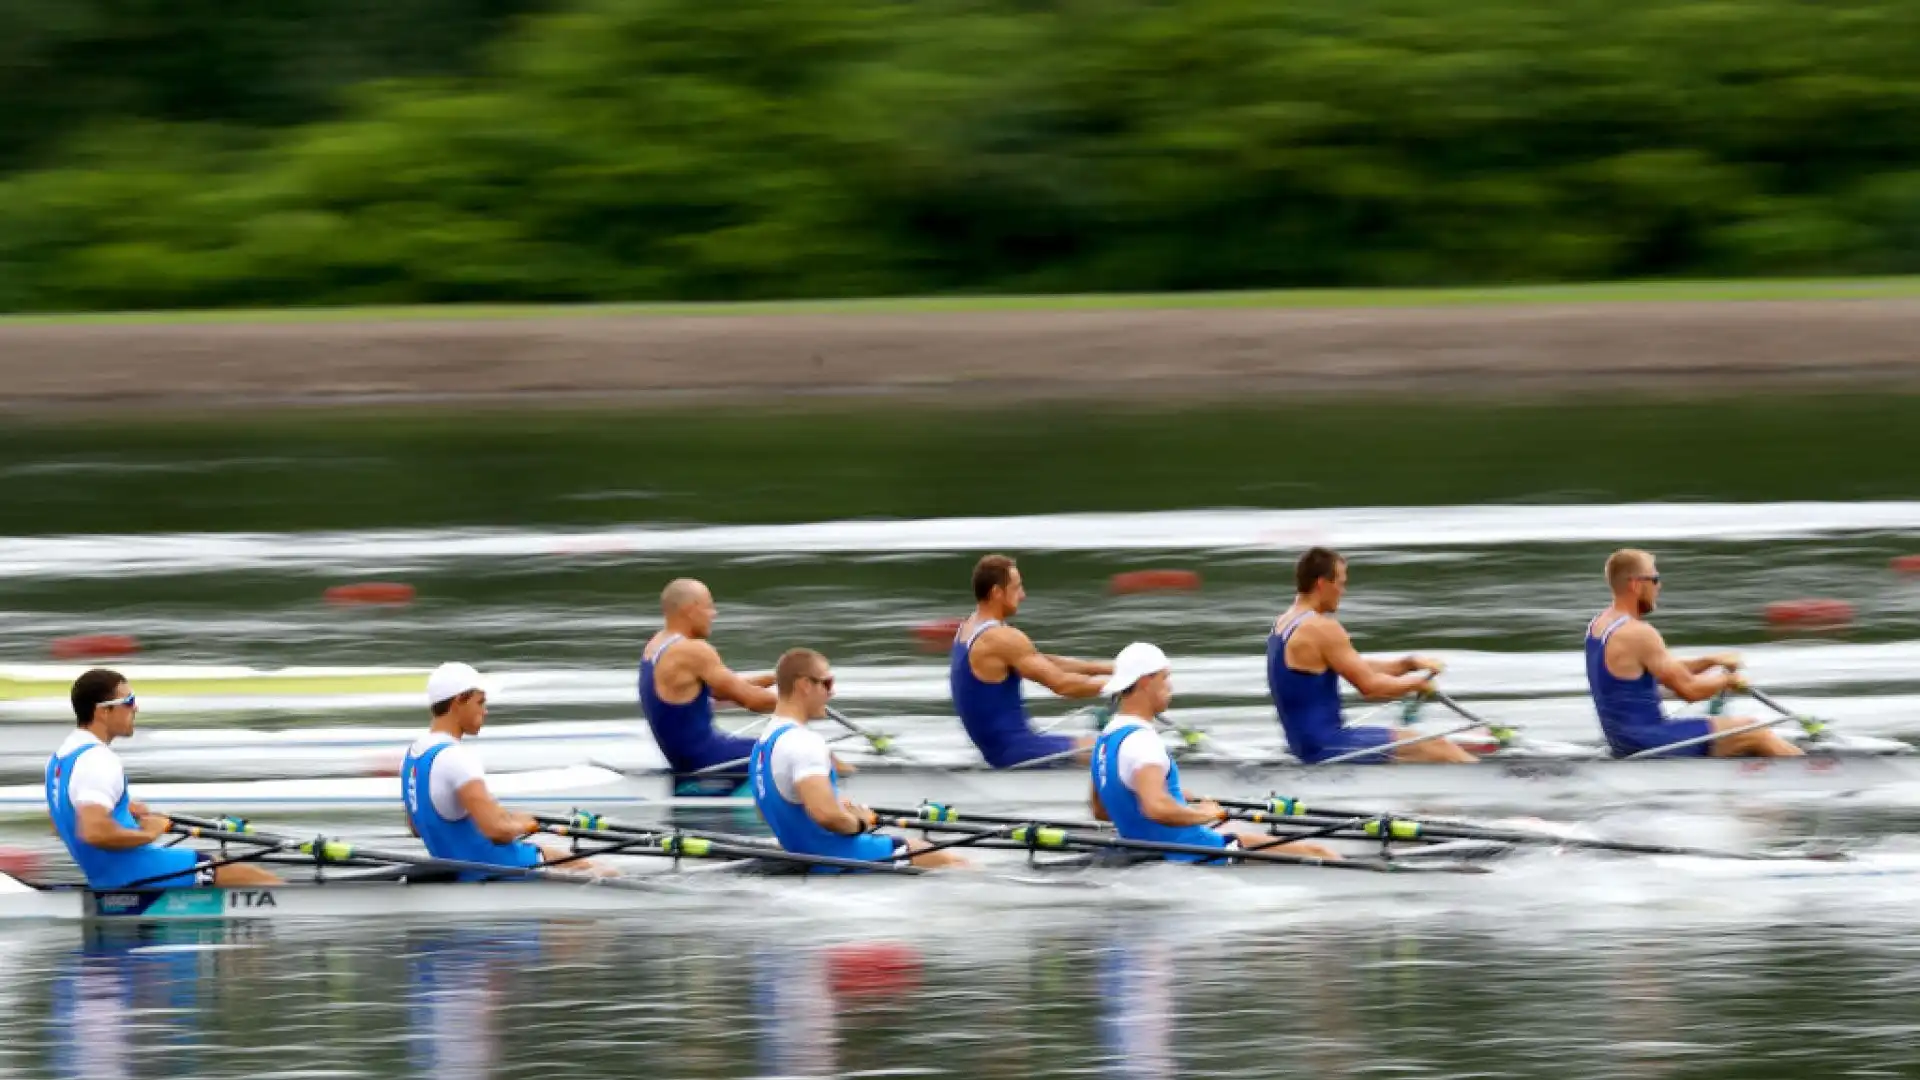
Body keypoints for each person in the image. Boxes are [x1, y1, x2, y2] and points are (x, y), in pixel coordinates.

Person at [1092, 643, 1341, 862]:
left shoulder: (1106, 739)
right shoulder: (1143, 742)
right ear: (1146, 680)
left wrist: (1177, 796)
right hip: (1197, 851)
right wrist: (1201, 814)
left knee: (1236, 825)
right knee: (1319, 852)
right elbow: (1156, 808)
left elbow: (1102, 810)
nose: (1170, 686)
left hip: (1155, 848)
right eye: (1165, 678)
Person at [46, 669, 281, 889]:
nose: (135, 708)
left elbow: (60, 823)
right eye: (128, 702)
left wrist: (122, 810)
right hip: (135, 872)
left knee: (220, 865)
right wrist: (149, 832)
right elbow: (94, 833)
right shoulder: (98, 760)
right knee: (260, 879)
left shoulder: (60, 758)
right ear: (103, 711)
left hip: (107, 873)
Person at [751, 648, 970, 871]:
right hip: (835, 857)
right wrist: (860, 822)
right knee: (953, 862)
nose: (832, 692)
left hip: (805, 853)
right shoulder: (804, 742)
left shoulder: (763, 744)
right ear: (805, 685)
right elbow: (826, 816)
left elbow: (766, 810)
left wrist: (836, 805)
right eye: (827, 683)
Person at [1269, 547, 1477, 764]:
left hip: (1306, 745)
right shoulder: (1321, 628)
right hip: (1326, 746)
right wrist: (1416, 685)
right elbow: (1370, 688)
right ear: (1322, 584)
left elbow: (1353, 665)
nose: (1343, 591)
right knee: (1441, 748)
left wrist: (1408, 664)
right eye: (1340, 583)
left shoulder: (1284, 623)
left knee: (1438, 746)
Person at [1587, 549, 1802, 758]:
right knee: (1754, 731)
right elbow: (1689, 691)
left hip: (1623, 742)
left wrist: (1710, 661)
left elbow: (1662, 668)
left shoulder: (1599, 626)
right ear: (1636, 584)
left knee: (1739, 734)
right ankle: (1807, 770)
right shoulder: (1639, 633)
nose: (1659, 586)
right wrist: (1727, 681)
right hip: (1648, 740)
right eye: (1654, 579)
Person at [401, 662, 599, 877]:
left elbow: (416, 827)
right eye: (480, 702)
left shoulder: (412, 756)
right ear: (459, 701)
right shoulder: (456, 757)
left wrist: (506, 820)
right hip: (499, 868)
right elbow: (496, 832)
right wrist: (523, 825)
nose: (485, 711)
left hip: (456, 871)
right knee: (605, 872)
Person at [951, 554, 1113, 768]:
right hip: (1016, 752)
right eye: (1017, 588)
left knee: (1104, 743)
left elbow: (1044, 661)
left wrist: (1109, 669)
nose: (1023, 595)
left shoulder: (969, 628)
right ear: (997, 592)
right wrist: (1123, 684)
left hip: (1007, 748)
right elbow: (1063, 684)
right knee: (1114, 751)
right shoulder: (999, 638)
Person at [640, 578, 777, 780]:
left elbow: (723, 690)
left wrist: (775, 678)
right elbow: (753, 701)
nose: (714, 614)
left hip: (687, 758)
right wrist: (805, 702)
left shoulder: (656, 647)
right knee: (809, 754)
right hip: (706, 758)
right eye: (709, 607)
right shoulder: (693, 651)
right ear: (691, 610)